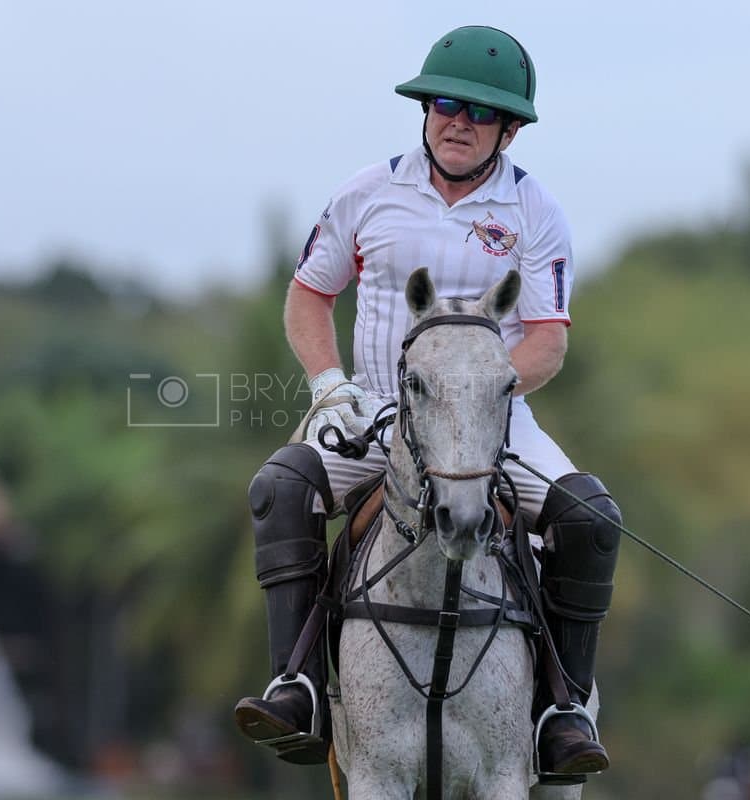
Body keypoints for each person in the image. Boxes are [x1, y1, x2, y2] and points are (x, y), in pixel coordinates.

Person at [233, 25, 623, 779]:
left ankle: (562, 710)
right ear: (424, 108)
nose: (458, 121)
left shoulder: (535, 213)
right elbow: (309, 297)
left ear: (509, 129)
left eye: (480, 113)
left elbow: (546, 342)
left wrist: (468, 401)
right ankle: (300, 686)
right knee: (280, 488)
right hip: (370, 416)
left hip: (488, 428)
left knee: (591, 517)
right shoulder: (367, 192)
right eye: (445, 103)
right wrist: (329, 387)